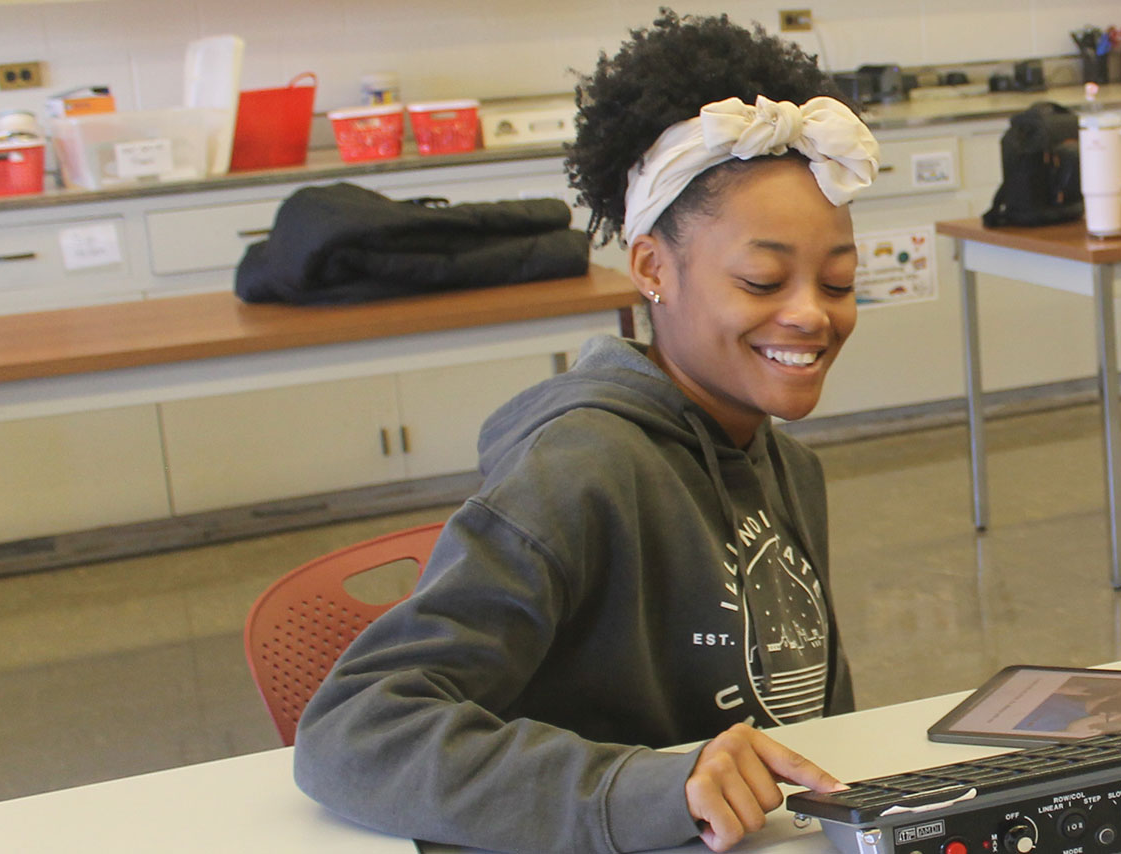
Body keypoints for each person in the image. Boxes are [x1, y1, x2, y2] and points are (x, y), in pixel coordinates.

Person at [292, 14, 880, 853]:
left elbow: (813, 728)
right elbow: (356, 728)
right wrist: (642, 788)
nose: (809, 315)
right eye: (761, 278)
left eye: (838, 281)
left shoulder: (789, 467)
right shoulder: (580, 467)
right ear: (650, 269)